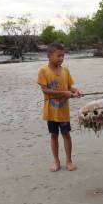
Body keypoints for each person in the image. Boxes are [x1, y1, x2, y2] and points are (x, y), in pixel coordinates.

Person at [37, 43, 82, 172]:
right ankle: (56, 161)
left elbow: (69, 88)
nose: (61, 58)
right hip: (51, 111)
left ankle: (69, 161)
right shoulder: (43, 71)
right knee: (54, 135)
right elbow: (45, 90)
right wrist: (64, 93)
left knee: (66, 134)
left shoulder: (65, 71)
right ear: (49, 56)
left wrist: (75, 91)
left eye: (63, 55)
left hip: (63, 111)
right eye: (58, 56)